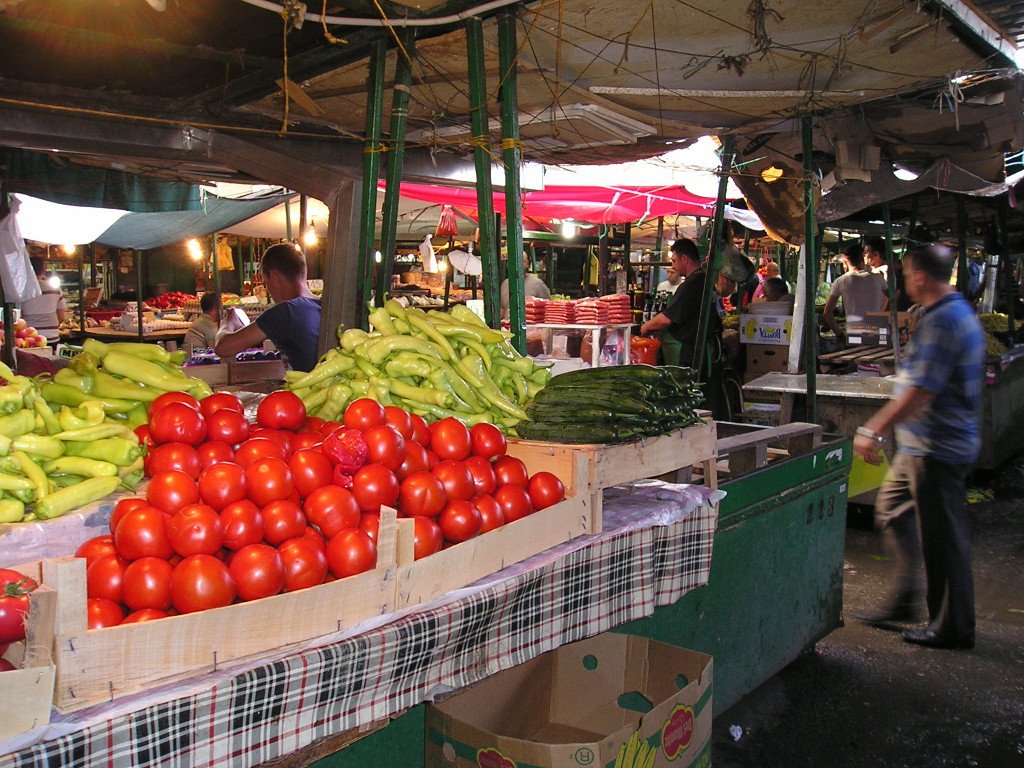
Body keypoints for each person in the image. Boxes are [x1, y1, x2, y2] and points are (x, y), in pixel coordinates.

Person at [854, 243, 983, 650]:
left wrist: (874, 428)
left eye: (908, 274)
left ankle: (953, 627)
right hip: (919, 445)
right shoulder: (941, 314)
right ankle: (906, 600)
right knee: (891, 510)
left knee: (944, 540)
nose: (905, 280)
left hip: (938, 448)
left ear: (922, 277)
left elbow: (921, 393)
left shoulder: (946, 321)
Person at [215, 243, 321, 372]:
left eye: (266, 282)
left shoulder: (286, 311)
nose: (268, 289)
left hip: (311, 390)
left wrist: (229, 322)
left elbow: (223, 348)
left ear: (274, 276)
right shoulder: (322, 304)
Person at [823, 244, 888, 341]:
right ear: (862, 258)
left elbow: (827, 313)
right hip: (877, 333)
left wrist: (840, 335)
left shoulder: (840, 281)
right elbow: (893, 298)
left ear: (845, 261)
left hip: (854, 334)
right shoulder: (878, 278)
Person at [19, 256, 66, 344]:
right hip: (52, 337)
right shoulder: (55, 289)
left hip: (29, 340)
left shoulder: (22, 290)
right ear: (43, 270)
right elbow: (61, 316)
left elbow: (17, 317)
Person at [500, 253, 551, 320]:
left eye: (522, 261)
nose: (517, 264)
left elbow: (548, 309)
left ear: (527, 264)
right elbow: (502, 309)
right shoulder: (505, 284)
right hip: (507, 328)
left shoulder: (538, 284)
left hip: (531, 329)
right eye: (512, 261)